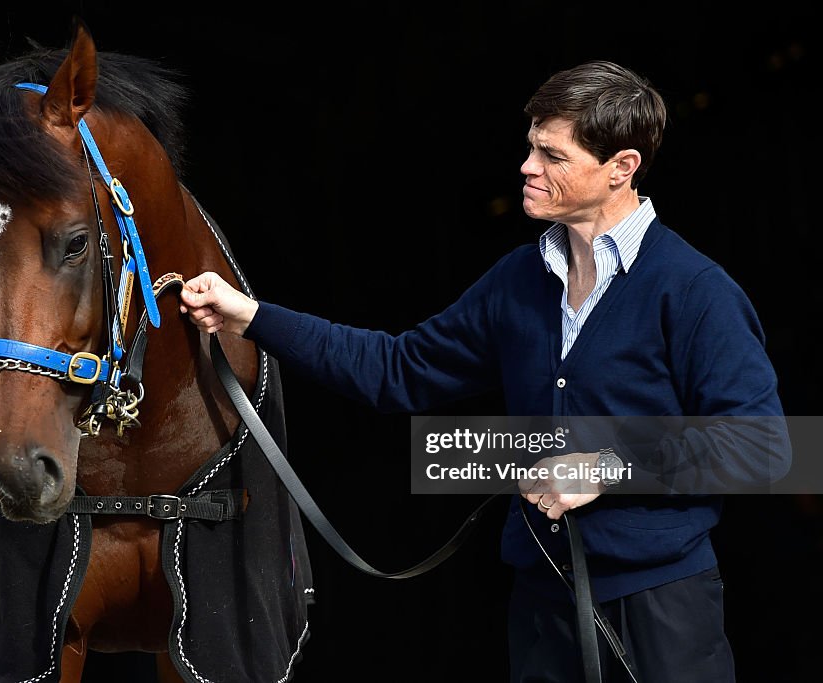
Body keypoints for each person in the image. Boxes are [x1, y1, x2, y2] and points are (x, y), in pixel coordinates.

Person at [178, 60, 790, 682]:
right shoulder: (518, 280)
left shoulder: (695, 290)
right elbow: (397, 370)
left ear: (621, 168)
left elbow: (764, 447)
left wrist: (608, 466)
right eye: (531, 147)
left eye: (552, 155)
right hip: (543, 604)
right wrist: (251, 316)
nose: (527, 167)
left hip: (662, 609)